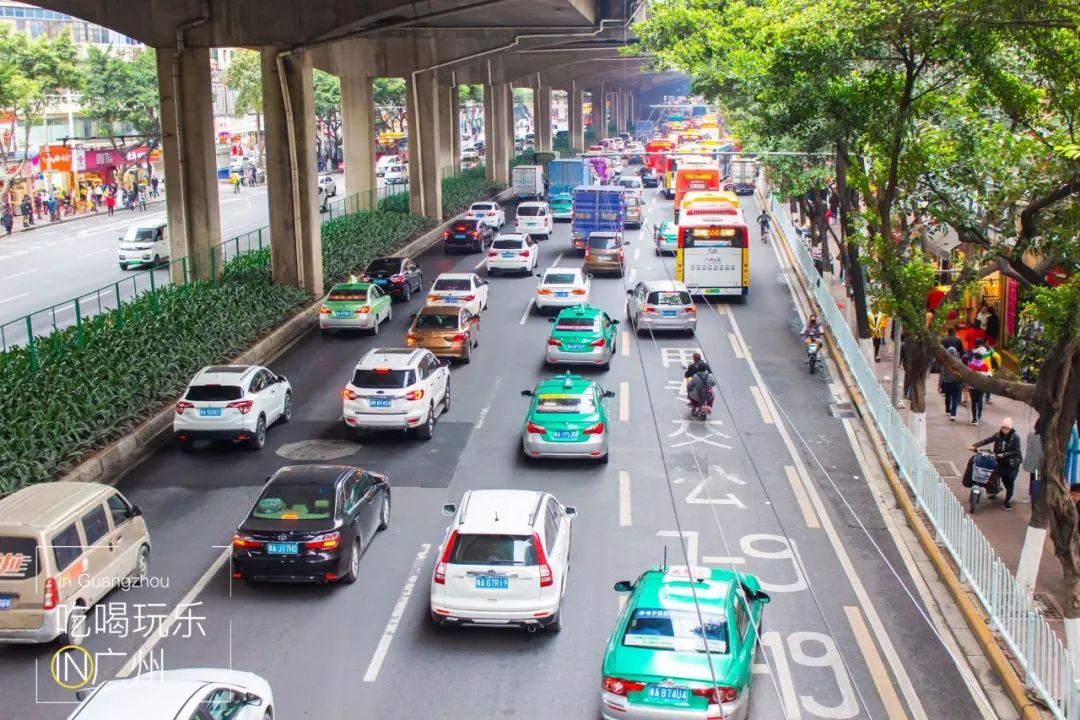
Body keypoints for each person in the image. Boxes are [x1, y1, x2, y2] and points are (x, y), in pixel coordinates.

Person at [971, 417, 1023, 510]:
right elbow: (987, 440)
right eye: (1003, 428)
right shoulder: (998, 435)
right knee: (998, 477)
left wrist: (1004, 454)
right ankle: (995, 491)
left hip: (1012, 463)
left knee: (1009, 482)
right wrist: (975, 445)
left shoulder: (1015, 437)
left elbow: (1016, 451)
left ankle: (1007, 501)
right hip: (1000, 462)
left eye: (1007, 428)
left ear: (1010, 429)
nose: (1004, 430)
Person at [966, 351, 991, 424]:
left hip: (972, 386)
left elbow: (968, 375)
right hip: (981, 386)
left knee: (973, 402)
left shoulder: (970, 365)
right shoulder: (985, 366)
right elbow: (989, 375)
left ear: (974, 357)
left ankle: (974, 419)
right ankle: (979, 415)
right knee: (980, 400)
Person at [940, 346, 963, 421]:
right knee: (955, 398)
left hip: (947, 382)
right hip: (956, 382)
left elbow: (942, 373)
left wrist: (943, 381)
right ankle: (953, 414)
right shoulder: (959, 361)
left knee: (948, 396)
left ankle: (947, 410)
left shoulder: (945, 362)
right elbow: (962, 372)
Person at [1023, 418, 1043, 501]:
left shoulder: (1032, 436)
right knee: (1040, 479)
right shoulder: (1044, 437)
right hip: (1040, 462)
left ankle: (1032, 495)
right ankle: (1037, 495)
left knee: (1033, 479)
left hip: (1032, 463)